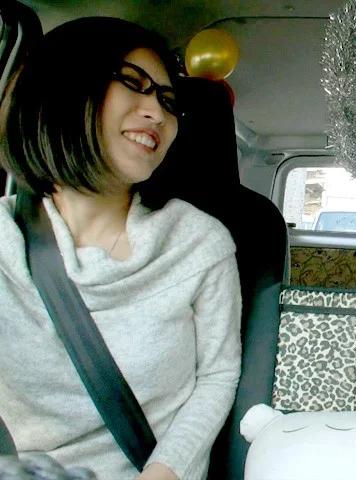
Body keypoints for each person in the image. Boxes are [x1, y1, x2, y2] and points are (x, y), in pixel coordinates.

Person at [0, 17, 242, 480]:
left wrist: (163, 473)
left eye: (168, 102)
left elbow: (218, 375)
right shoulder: (5, 239)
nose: (158, 114)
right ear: (63, 89)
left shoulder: (198, 243)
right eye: (133, 83)